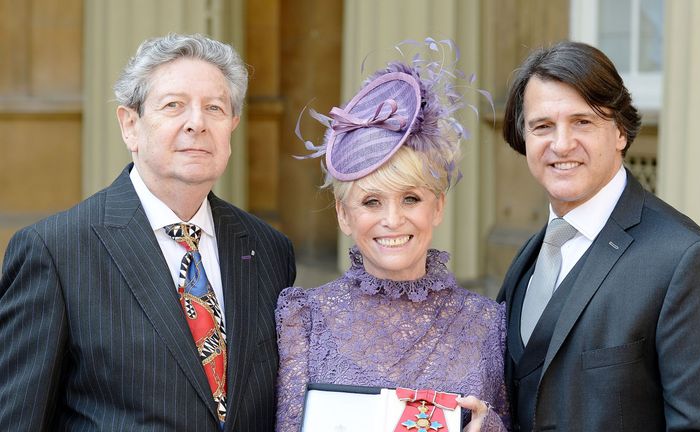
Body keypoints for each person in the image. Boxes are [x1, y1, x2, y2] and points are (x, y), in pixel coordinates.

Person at [0, 33, 295, 430]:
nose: (197, 123)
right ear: (130, 126)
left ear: (232, 127)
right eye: (174, 106)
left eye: (214, 108)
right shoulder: (56, 251)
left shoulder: (269, 249)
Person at [497, 40, 700, 431]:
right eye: (543, 126)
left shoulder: (689, 262)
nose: (561, 144)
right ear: (525, 138)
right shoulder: (529, 259)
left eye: (582, 121)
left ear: (620, 131)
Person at [275, 39, 508, 431]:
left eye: (411, 198)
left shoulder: (487, 323)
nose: (393, 219)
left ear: (437, 206)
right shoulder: (304, 320)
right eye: (371, 202)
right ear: (343, 214)